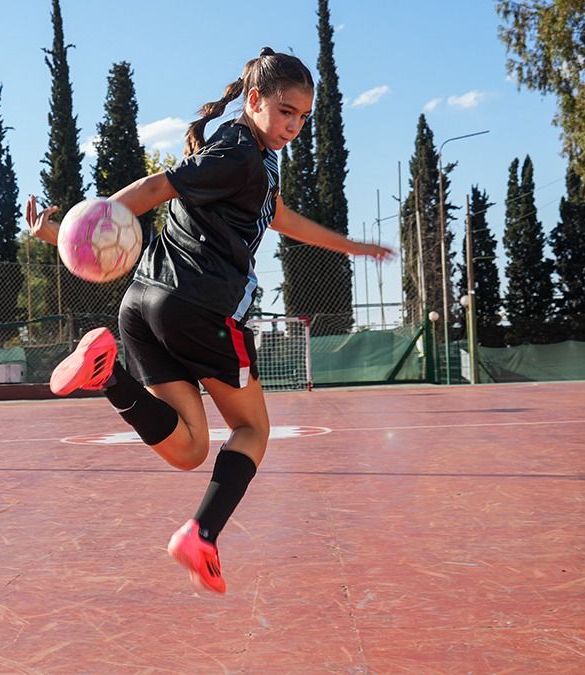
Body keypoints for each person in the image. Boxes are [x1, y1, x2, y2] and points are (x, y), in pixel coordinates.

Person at [25, 47, 392, 594]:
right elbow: (157, 188)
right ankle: (201, 535)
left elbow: (281, 217)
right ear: (254, 101)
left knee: (190, 448)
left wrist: (348, 245)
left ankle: (107, 375)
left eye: (302, 116)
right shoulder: (239, 152)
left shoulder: (255, 160)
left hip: (142, 308)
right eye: (285, 110)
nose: (293, 124)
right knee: (252, 429)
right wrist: (86, 224)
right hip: (199, 310)